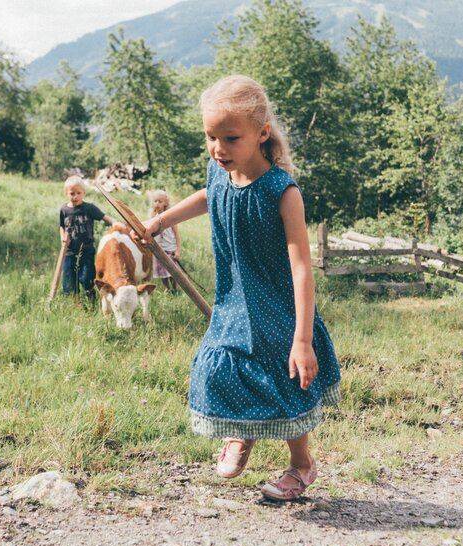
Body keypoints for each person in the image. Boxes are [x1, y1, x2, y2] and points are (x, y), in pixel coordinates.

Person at [136, 75, 341, 500]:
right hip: (233, 301)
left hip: (277, 307)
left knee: (287, 384)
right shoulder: (219, 172)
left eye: (230, 138)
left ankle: (302, 464)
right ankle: (239, 430)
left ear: (262, 133)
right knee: (217, 367)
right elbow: (209, 196)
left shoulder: (281, 192)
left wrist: (302, 339)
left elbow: (302, 267)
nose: (218, 148)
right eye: (211, 137)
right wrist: (160, 221)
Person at [59, 175, 118, 302]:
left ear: (84, 193)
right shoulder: (64, 210)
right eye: (72, 193)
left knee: (87, 278)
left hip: (86, 251)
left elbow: (103, 217)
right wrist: (62, 238)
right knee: (69, 282)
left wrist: (114, 222)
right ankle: (73, 304)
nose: (75, 196)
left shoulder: (89, 208)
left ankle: (91, 301)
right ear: (66, 193)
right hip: (69, 252)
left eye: (78, 193)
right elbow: (62, 226)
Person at [148, 189, 182, 293]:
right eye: (155, 201)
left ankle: (175, 289)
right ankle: (167, 288)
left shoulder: (170, 216)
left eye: (160, 201)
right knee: (161, 271)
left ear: (165, 203)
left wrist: (178, 250)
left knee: (173, 271)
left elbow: (177, 235)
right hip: (158, 249)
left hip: (170, 248)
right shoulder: (152, 217)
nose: (157, 204)